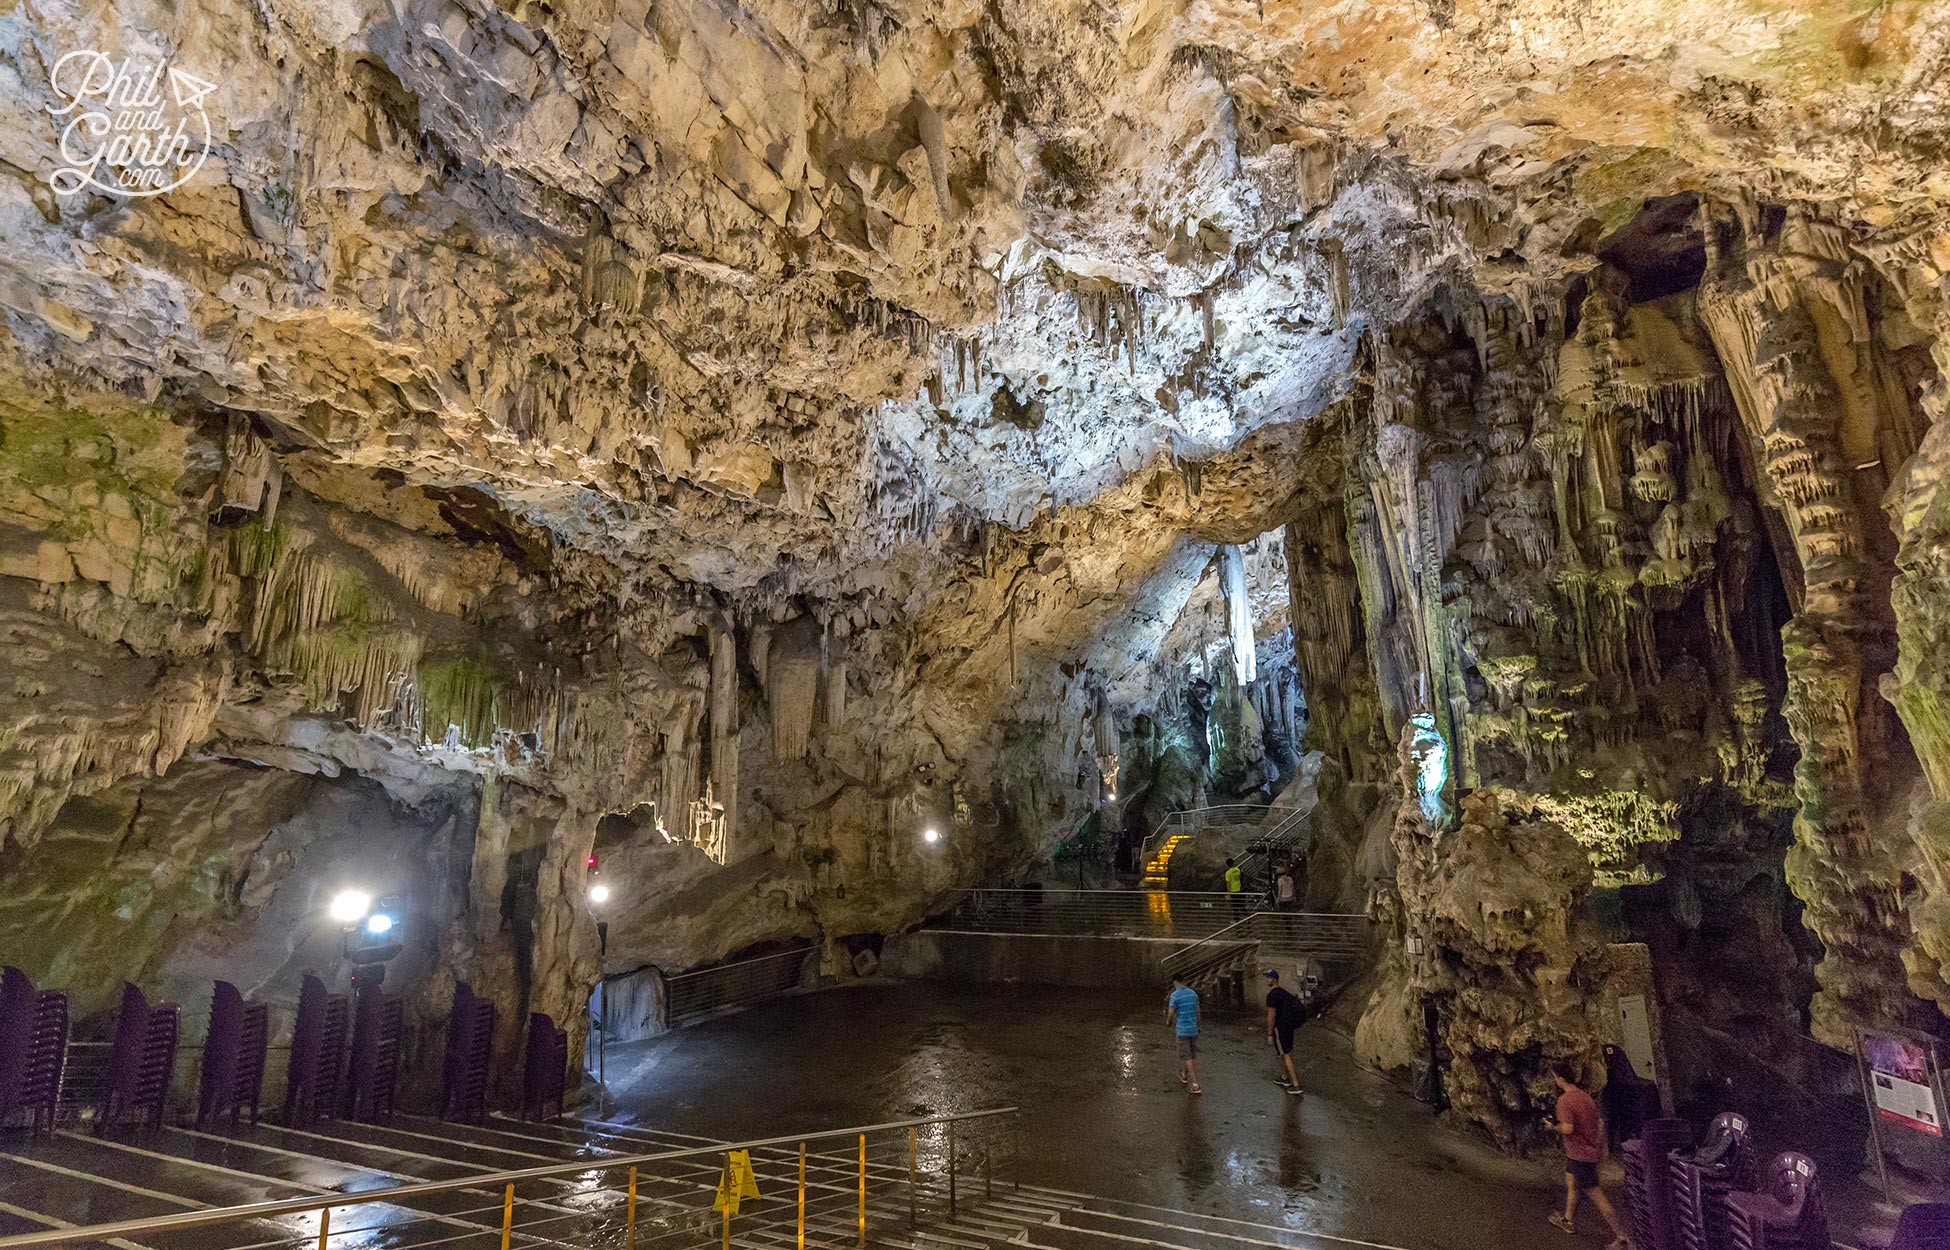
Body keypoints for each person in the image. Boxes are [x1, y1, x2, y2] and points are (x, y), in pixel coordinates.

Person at [1545, 1063, 1629, 1249]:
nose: (1555, 1080)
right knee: (1572, 1184)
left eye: (1555, 1077)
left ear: (1560, 1079)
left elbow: (1568, 1128)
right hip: (1583, 1153)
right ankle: (1567, 1220)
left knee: (1597, 1195)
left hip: (1580, 1156)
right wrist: (1597, 1148)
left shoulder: (1565, 1101)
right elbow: (1599, 1123)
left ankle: (1622, 1236)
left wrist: (1553, 1127)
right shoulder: (1585, 1097)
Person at [1263, 970, 1305, 1095]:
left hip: (1280, 1028)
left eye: (1269, 978)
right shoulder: (1283, 993)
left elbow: (1271, 1016)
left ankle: (1296, 1084)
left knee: (1285, 1054)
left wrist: (1269, 1033)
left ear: (1275, 979)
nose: (1267, 980)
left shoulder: (1272, 996)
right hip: (1289, 1026)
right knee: (1286, 1052)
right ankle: (1284, 1077)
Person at [1166, 974, 1201, 1094]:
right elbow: (1198, 1012)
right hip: (1194, 1028)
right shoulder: (1193, 994)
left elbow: (1171, 1013)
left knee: (1187, 1056)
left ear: (1175, 982)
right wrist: (1198, 1026)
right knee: (1189, 1054)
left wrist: (1168, 1022)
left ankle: (1195, 1084)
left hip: (1182, 1030)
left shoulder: (1174, 996)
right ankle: (1184, 1075)